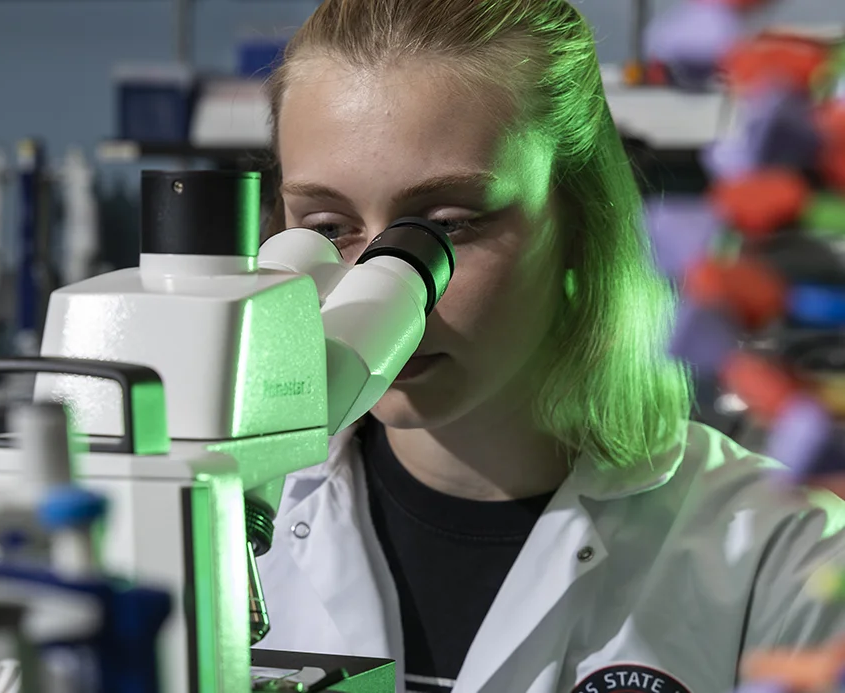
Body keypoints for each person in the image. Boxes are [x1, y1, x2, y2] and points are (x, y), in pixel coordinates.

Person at [253, 1, 845, 692]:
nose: (373, 289)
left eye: (447, 226)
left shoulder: (783, 556)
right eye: (327, 225)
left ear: (575, 220)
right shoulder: (218, 512)